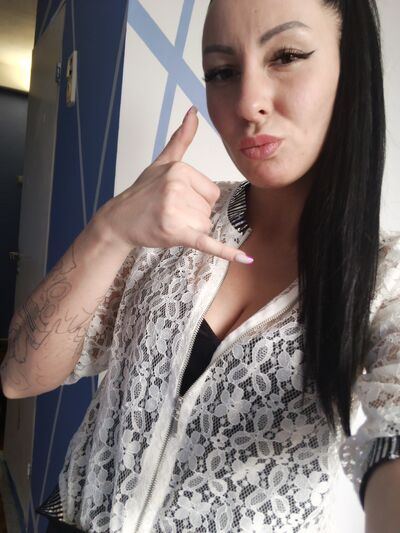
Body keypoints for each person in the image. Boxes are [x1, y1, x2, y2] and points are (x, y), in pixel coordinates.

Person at [1, 0, 400, 531]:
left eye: (286, 56)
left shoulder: (384, 278)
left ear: (352, 69)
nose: (248, 103)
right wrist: (109, 230)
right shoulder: (168, 220)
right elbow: (18, 377)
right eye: (222, 72)